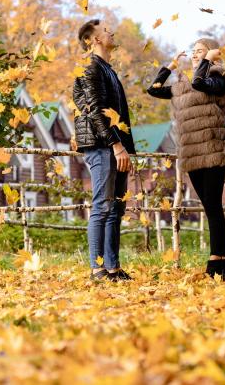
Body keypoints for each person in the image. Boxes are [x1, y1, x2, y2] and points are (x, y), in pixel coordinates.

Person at [147, 38, 225, 280]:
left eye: (201, 52)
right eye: (194, 52)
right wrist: (170, 67)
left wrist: (209, 61)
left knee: (214, 206)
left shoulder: (219, 77)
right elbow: (153, 89)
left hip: (214, 148)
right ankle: (223, 260)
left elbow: (200, 81)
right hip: (192, 154)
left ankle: (218, 259)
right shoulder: (181, 86)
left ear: (212, 54)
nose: (196, 55)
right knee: (208, 205)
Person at [73, 19, 136, 282]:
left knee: (116, 208)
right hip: (102, 147)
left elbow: (119, 115)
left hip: (116, 147)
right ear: (94, 39)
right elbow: (96, 110)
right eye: (106, 30)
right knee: (101, 206)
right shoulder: (90, 68)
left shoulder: (107, 69)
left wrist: (126, 150)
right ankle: (97, 268)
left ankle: (112, 267)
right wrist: (116, 145)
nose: (112, 32)